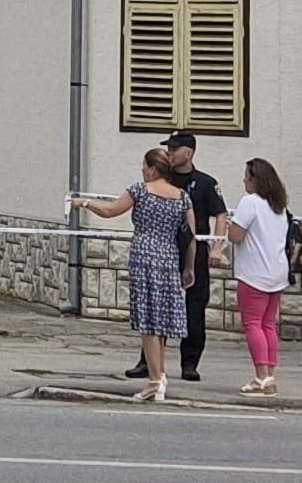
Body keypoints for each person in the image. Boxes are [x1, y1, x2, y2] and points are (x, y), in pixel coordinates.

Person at [74, 147, 195, 402]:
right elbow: (191, 237)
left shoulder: (140, 190)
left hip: (144, 258)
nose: (142, 170)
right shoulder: (182, 197)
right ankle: (160, 374)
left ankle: (152, 381)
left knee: (147, 322)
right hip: (168, 259)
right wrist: (189, 267)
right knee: (161, 320)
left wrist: (84, 203)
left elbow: (110, 211)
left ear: (153, 168)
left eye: (144, 166)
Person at [121, 131, 228, 382]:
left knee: (194, 306)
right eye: (168, 149)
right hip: (165, 251)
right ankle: (149, 363)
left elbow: (220, 215)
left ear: (188, 153)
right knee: (156, 305)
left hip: (194, 249)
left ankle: (189, 362)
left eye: (175, 149)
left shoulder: (205, 183)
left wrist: (217, 247)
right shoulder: (164, 181)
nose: (170, 153)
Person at [227, 158, 291, 396]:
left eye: (247, 176)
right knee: (268, 325)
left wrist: (226, 226)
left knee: (252, 324)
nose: (244, 180)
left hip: (254, 273)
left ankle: (260, 375)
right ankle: (270, 376)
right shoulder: (278, 206)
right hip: (277, 272)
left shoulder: (250, 202)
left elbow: (236, 236)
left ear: (256, 180)